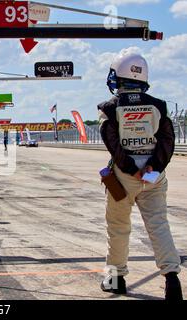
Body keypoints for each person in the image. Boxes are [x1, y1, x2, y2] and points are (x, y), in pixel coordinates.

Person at [98, 52, 183, 300]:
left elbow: (112, 143)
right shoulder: (159, 106)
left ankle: (116, 280)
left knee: (118, 228)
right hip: (154, 177)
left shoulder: (109, 108)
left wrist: (131, 169)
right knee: (159, 226)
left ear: (119, 77)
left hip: (122, 178)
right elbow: (168, 140)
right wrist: (153, 168)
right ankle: (172, 280)